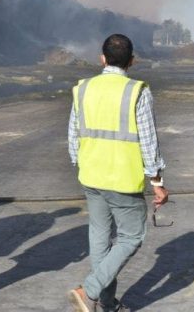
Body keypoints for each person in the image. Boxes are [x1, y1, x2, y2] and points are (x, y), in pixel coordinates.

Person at [67, 34, 169, 312]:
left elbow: (73, 137)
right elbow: (149, 143)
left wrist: (83, 164)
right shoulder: (137, 91)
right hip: (123, 180)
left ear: (102, 59)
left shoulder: (83, 88)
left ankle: (107, 304)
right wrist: (157, 182)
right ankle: (88, 291)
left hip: (91, 176)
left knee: (100, 239)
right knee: (131, 236)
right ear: (132, 61)